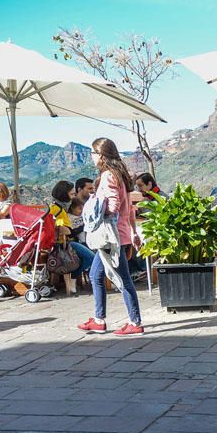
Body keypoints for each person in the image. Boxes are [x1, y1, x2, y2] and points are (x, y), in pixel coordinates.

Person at [76, 137, 144, 337]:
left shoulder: (108, 176)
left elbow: (113, 205)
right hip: (119, 234)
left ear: (102, 155)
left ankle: (135, 322)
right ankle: (98, 320)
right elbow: (129, 208)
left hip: (110, 237)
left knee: (122, 280)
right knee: (96, 275)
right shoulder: (120, 175)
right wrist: (132, 232)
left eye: (93, 153)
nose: (92, 157)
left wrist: (98, 213)